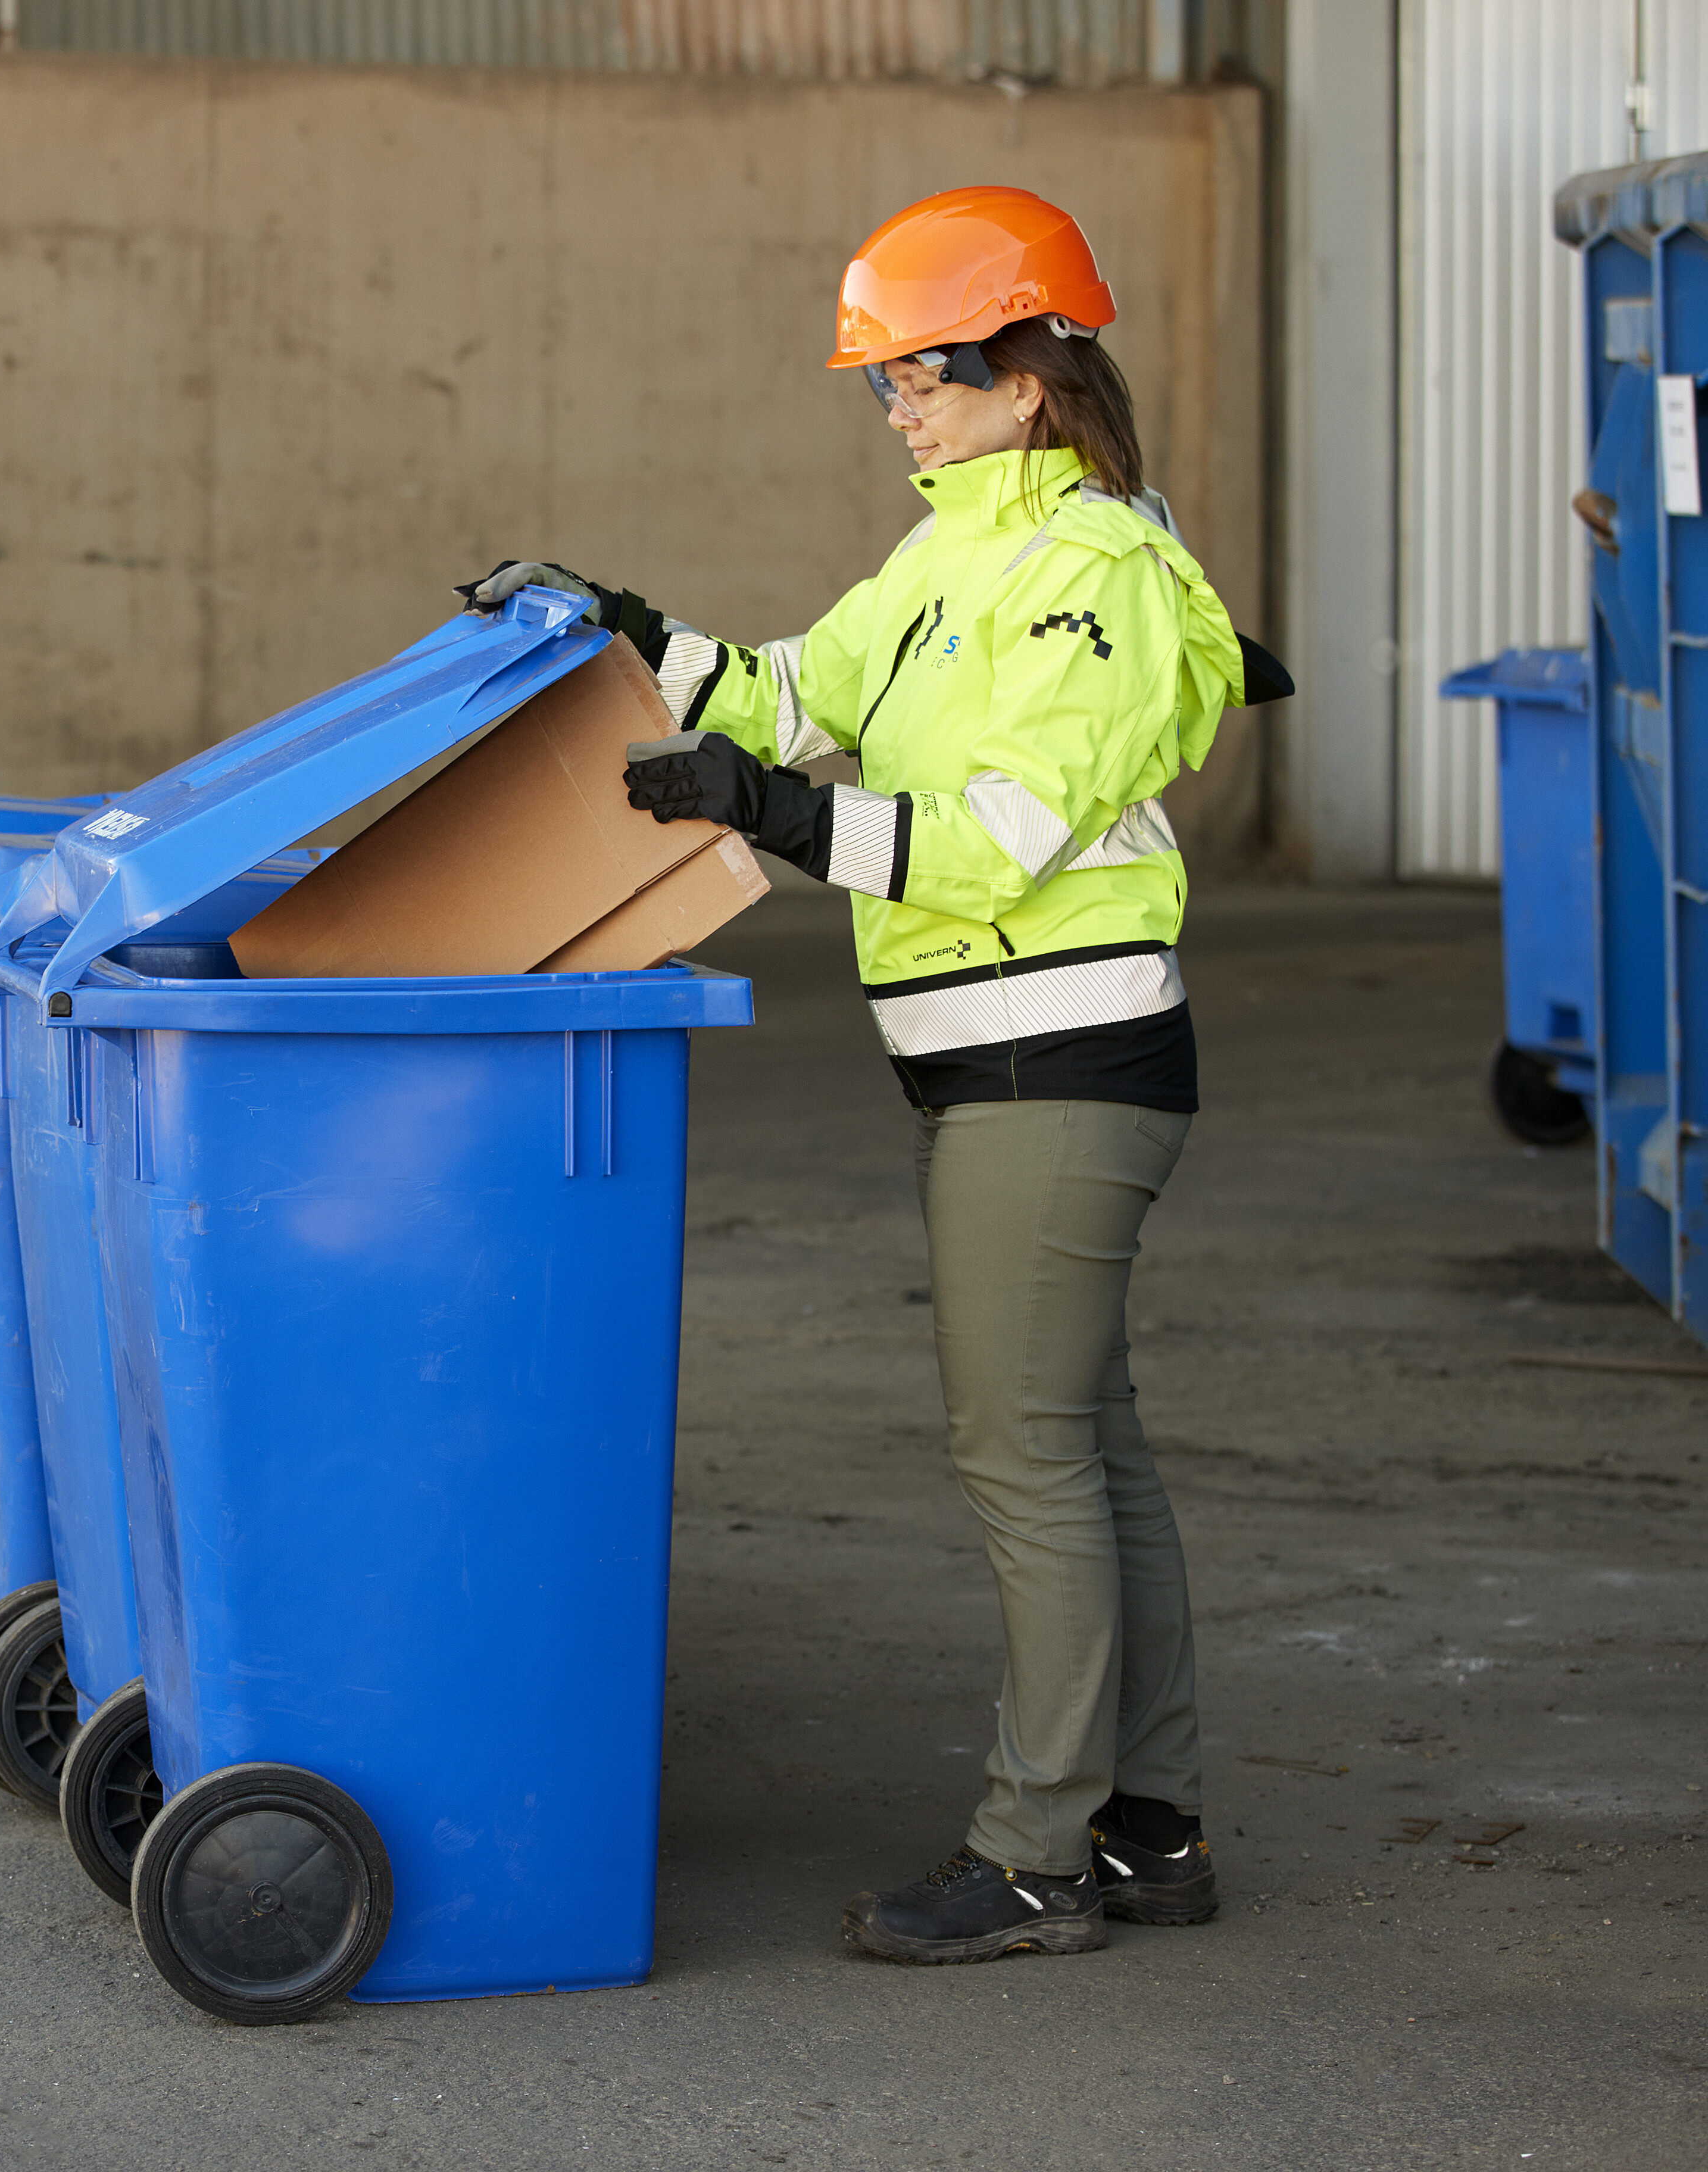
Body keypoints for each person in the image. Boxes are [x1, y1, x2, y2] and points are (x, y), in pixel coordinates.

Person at [461, 185, 1288, 1966]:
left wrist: (766, 814)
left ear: (1029, 374)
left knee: (1023, 1455)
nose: (896, 408)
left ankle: (1041, 1857)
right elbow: (785, 693)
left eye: (918, 374)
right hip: (998, 1055)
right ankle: (1148, 1830)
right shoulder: (945, 561)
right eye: (881, 384)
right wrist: (629, 629)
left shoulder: (1097, 578)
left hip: (1059, 1051)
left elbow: (993, 843)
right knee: (1087, 1447)